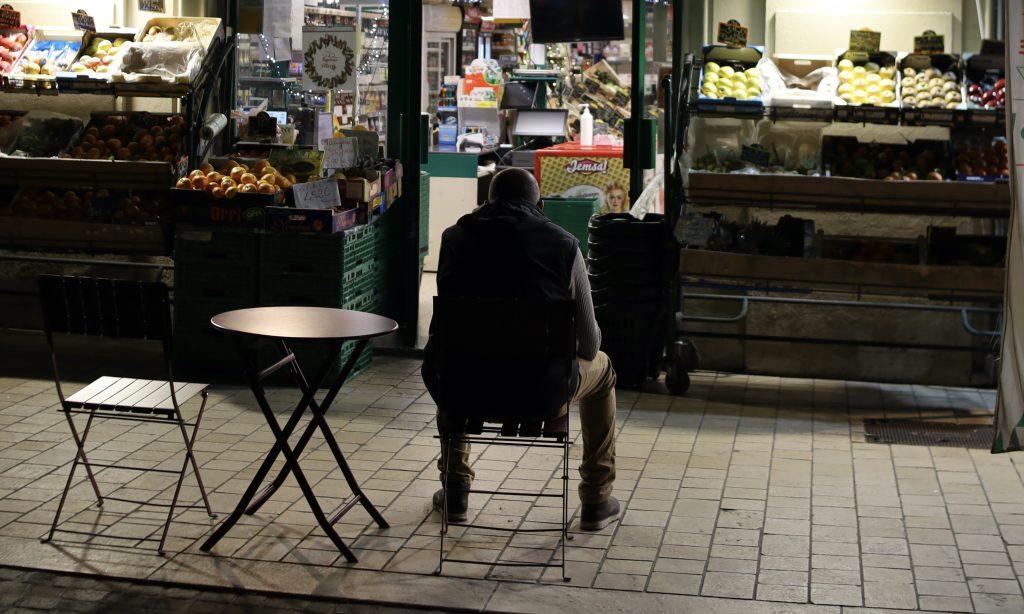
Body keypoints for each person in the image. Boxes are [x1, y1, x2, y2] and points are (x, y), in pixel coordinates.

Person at [422, 167, 620, 531]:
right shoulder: (564, 245)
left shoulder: (454, 239)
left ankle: (455, 491)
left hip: (464, 389)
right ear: (540, 206)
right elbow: (591, 345)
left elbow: (444, 329)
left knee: (454, 358)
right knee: (603, 368)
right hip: (540, 394)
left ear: (486, 203)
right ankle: (596, 498)